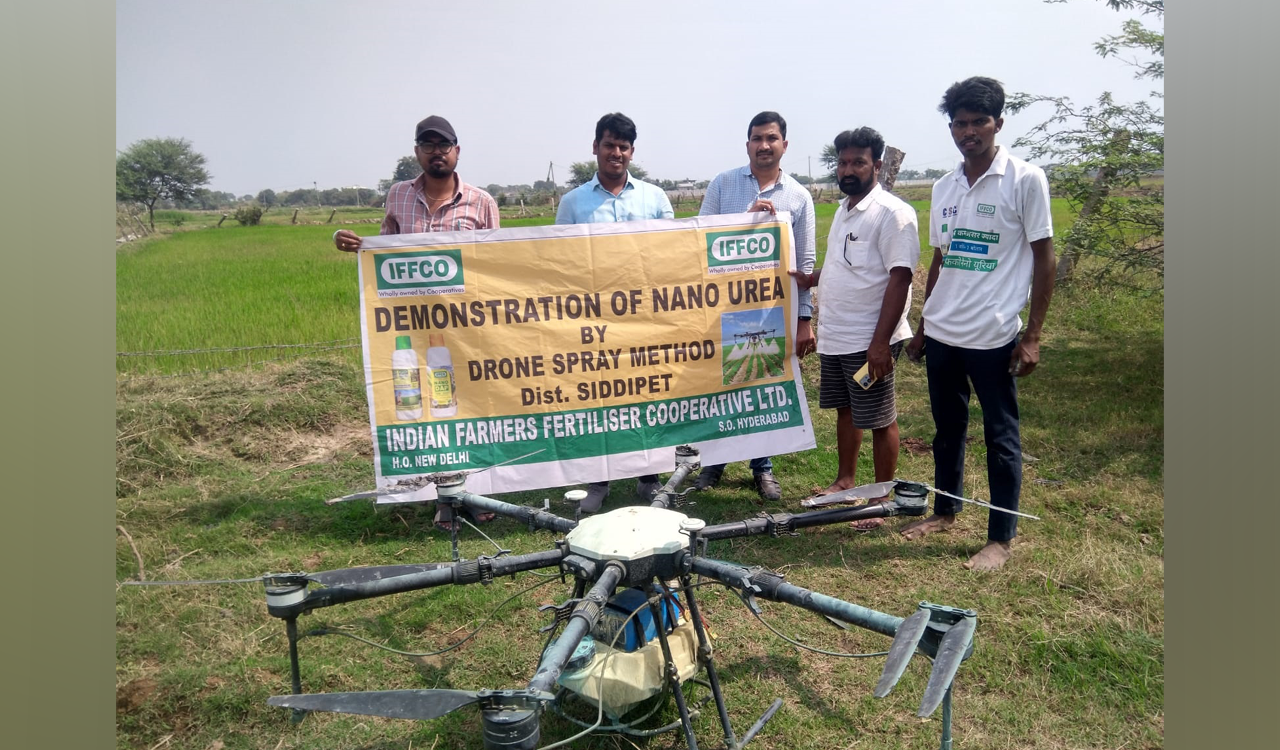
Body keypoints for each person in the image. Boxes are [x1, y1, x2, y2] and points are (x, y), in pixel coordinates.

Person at [899, 76, 1056, 571]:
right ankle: (945, 510)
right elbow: (942, 260)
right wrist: (925, 324)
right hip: (944, 333)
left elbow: (1044, 258)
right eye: (960, 124)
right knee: (948, 429)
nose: (969, 132)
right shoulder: (944, 187)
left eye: (978, 122)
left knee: (1000, 435)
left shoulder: (1025, 179)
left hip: (993, 335)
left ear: (998, 123)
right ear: (952, 129)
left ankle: (1000, 539)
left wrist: (1032, 335)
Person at [333, 115, 501, 532]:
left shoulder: (481, 202)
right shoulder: (398, 197)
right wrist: (356, 245)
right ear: (417, 153)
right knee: (429, 411)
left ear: (457, 151)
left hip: (466, 328)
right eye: (428, 145)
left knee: (475, 408)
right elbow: (383, 252)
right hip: (414, 330)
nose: (436, 152)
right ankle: (443, 498)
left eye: (443, 145)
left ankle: (479, 492)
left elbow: (498, 264)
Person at [789, 127, 918, 530]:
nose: (848, 169)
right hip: (838, 336)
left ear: (876, 165)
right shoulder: (846, 208)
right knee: (847, 411)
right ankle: (846, 480)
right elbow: (849, 264)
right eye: (843, 162)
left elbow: (900, 278)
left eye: (858, 162)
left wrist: (880, 343)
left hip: (870, 340)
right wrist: (813, 280)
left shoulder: (893, 214)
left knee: (879, 417)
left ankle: (881, 497)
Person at [691, 111, 816, 501]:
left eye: (772, 138)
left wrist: (804, 320)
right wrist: (744, 222)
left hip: (768, 313)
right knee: (719, 387)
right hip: (721, 307)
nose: (764, 145)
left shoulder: (798, 196)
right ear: (747, 144)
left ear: (784, 145)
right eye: (757, 138)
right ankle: (714, 461)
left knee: (759, 387)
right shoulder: (723, 185)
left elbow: (806, 265)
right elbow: (698, 241)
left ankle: (762, 468)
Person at [556, 112, 674, 515]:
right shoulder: (573, 203)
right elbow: (560, 262)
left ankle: (649, 476)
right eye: (609, 145)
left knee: (647, 392)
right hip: (595, 320)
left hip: (644, 317)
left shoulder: (654, 198)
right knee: (600, 399)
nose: (616, 153)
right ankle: (598, 481)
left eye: (624, 147)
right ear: (596, 148)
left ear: (632, 152)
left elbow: (673, 252)